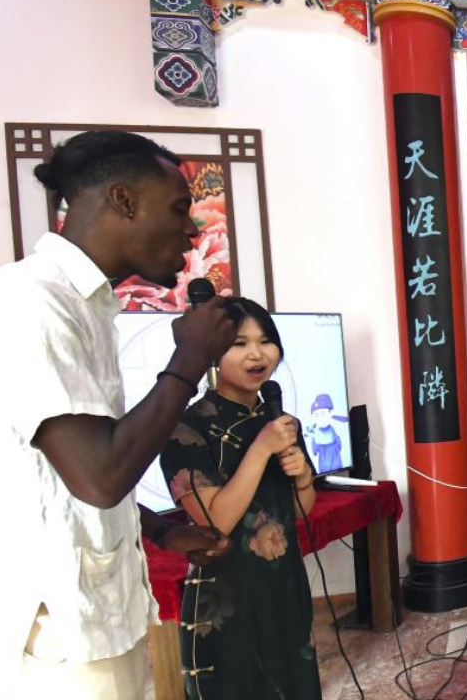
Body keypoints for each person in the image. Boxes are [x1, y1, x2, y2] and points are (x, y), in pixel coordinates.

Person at [0, 131, 235, 700]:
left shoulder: (83, 305)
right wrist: (190, 359)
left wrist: (159, 529)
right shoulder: (28, 303)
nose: (193, 230)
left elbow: (58, 479)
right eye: (179, 208)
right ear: (123, 200)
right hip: (55, 637)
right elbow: (100, 475)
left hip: (87, 621)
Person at [160, 298, 320, 699]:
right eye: (239, 344)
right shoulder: (185, 429)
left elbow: (297, 511)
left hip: (284, 586)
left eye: (266, 341)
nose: (256, 354)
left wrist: (303, 479)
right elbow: (216, 524)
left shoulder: (280, 423)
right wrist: (262, 449)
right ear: (213, 352)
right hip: (225, 597)